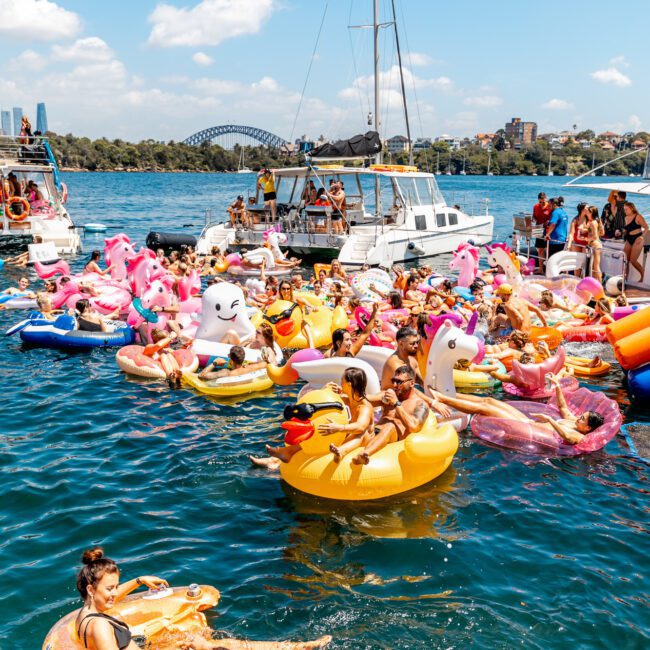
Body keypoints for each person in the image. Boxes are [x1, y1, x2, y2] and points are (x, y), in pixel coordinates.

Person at [428, 374, 605, 445]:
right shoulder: (573, 422)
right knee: (489, 400)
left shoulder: (580, 436)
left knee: (484, 409)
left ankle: (442, 399)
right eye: (582, 415)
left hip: (523, 425)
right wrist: (558, 387)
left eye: (583, 419)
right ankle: (448, 394)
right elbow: (563, 407)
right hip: (529, 420)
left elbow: (566, 437)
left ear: (588, 428)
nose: (579, 418)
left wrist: (550, 420)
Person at [75, 547, 168, 650]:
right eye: (109, 588)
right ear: (91, 590)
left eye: (116, 587)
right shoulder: (100, 626)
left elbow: (112, 595)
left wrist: (140, 580)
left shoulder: (84, 616)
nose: (115, 593)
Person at [352, 364, 429, 465]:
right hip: (374, 434)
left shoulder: (420, 404)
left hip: (394, 439)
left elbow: (414, 427)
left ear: (411, 383)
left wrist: (396, 403)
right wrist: (346, 393)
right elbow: (364, 399)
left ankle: (365, 454)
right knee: (364, 420)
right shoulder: (388, 396)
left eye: (399, 382)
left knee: (390, 425)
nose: (395, 385)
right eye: (394, 381)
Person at [323, 368, 376, 462]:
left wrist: (339, 428)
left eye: (342, 381)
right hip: (348, 439)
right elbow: (323, 403)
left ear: (349, 384)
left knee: (361, 432)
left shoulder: (365, 407)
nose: (340, 383)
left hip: (364, 443)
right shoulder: (346, 400)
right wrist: (326, 390)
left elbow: (360, 427)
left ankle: (341, 451)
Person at [622, 201, 649, 280]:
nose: (625, 211)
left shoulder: (638, 216)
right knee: (625, 259)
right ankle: (625, 278)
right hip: (629, 238)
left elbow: (646, 227)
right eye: (624, 209)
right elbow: (627, 229)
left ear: (631, 209)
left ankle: (643, 275)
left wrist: (641, 237)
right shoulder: (626, 218)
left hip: (638, 239)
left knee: (633, 261)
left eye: (626, 209)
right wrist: (622, 232)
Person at [528, 192, 553, 272]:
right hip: (538, 229)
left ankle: (549, 269)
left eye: (543, 202)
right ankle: (541, 269)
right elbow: (534, 217)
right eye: (540, 202)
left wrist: (548, 222)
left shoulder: (550, 206)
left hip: (548, 230)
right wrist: (532, 219)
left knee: (548, 249)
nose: (542, 203)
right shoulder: (536, 206)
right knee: (540, 250)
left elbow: (553, 218)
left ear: (546, 199)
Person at [585, 205, 605, 282]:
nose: (586, 213)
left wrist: (587, 239)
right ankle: (595, 284)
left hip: (595, 244)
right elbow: (602, 233)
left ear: (592, 213)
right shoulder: (598, 221)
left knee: (596, 267)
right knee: (594, 267)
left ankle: (599, 285)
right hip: (598, 244)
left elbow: (595, 236)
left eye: (588, 212)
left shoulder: (593, 222)